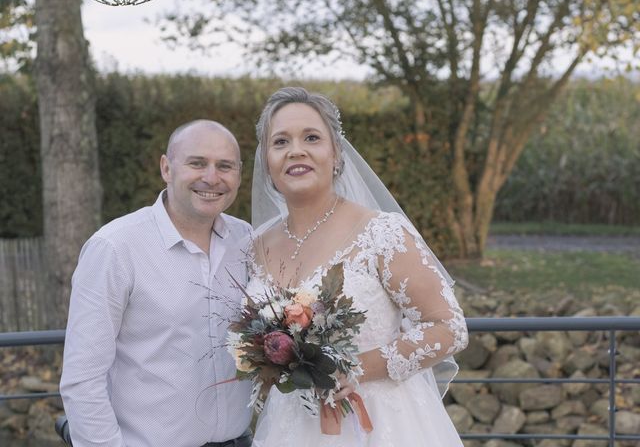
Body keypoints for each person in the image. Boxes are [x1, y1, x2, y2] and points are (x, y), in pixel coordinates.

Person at [247, 87, 469, 446]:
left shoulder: (382, 233)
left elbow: (449, 328)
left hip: (379, 425)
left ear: (335, 153)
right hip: (290, 426)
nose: (296, 150)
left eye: (312, 138)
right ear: (267, 163)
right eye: (280, 141)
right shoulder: (255, 245)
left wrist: (356, 368)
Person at [60, 120, 253, 447]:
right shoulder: (115, 248)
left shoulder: (248, 240)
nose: (211, 177)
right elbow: (83, 379)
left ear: (238, 174)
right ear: (166, 167)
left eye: (225, 166)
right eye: (197, 163)